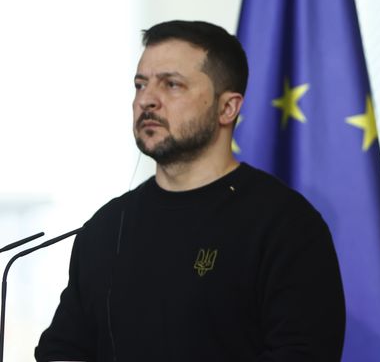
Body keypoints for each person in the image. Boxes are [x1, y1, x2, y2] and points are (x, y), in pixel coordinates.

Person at [36, 20, 345, 361]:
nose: (147, 100)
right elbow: (62, 351)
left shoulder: (285, 225)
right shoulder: (107, 227)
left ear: (227, 108)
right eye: (140, 85)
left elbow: (302, 352)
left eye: (172, 85)